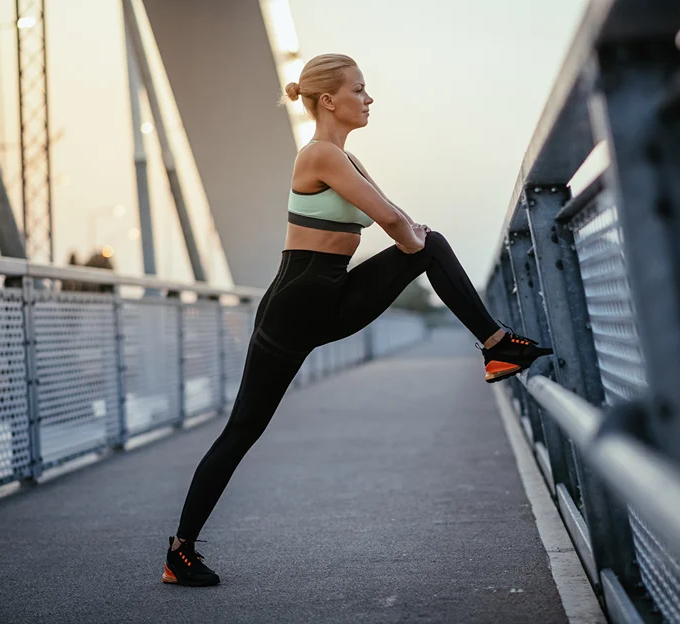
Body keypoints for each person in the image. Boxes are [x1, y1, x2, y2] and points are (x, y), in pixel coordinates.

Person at [161, 53, 552, 587]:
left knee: (429, 245)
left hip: (332, 294)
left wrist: (415, 236)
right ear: (329, 101)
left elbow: (399, 220)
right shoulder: (319, 155)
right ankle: (179, 553)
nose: (369, 99)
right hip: (295, 306)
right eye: (360, 90)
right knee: (243, 431)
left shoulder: (348, 160)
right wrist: (414, 236)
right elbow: (393, 220)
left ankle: (497, 345)